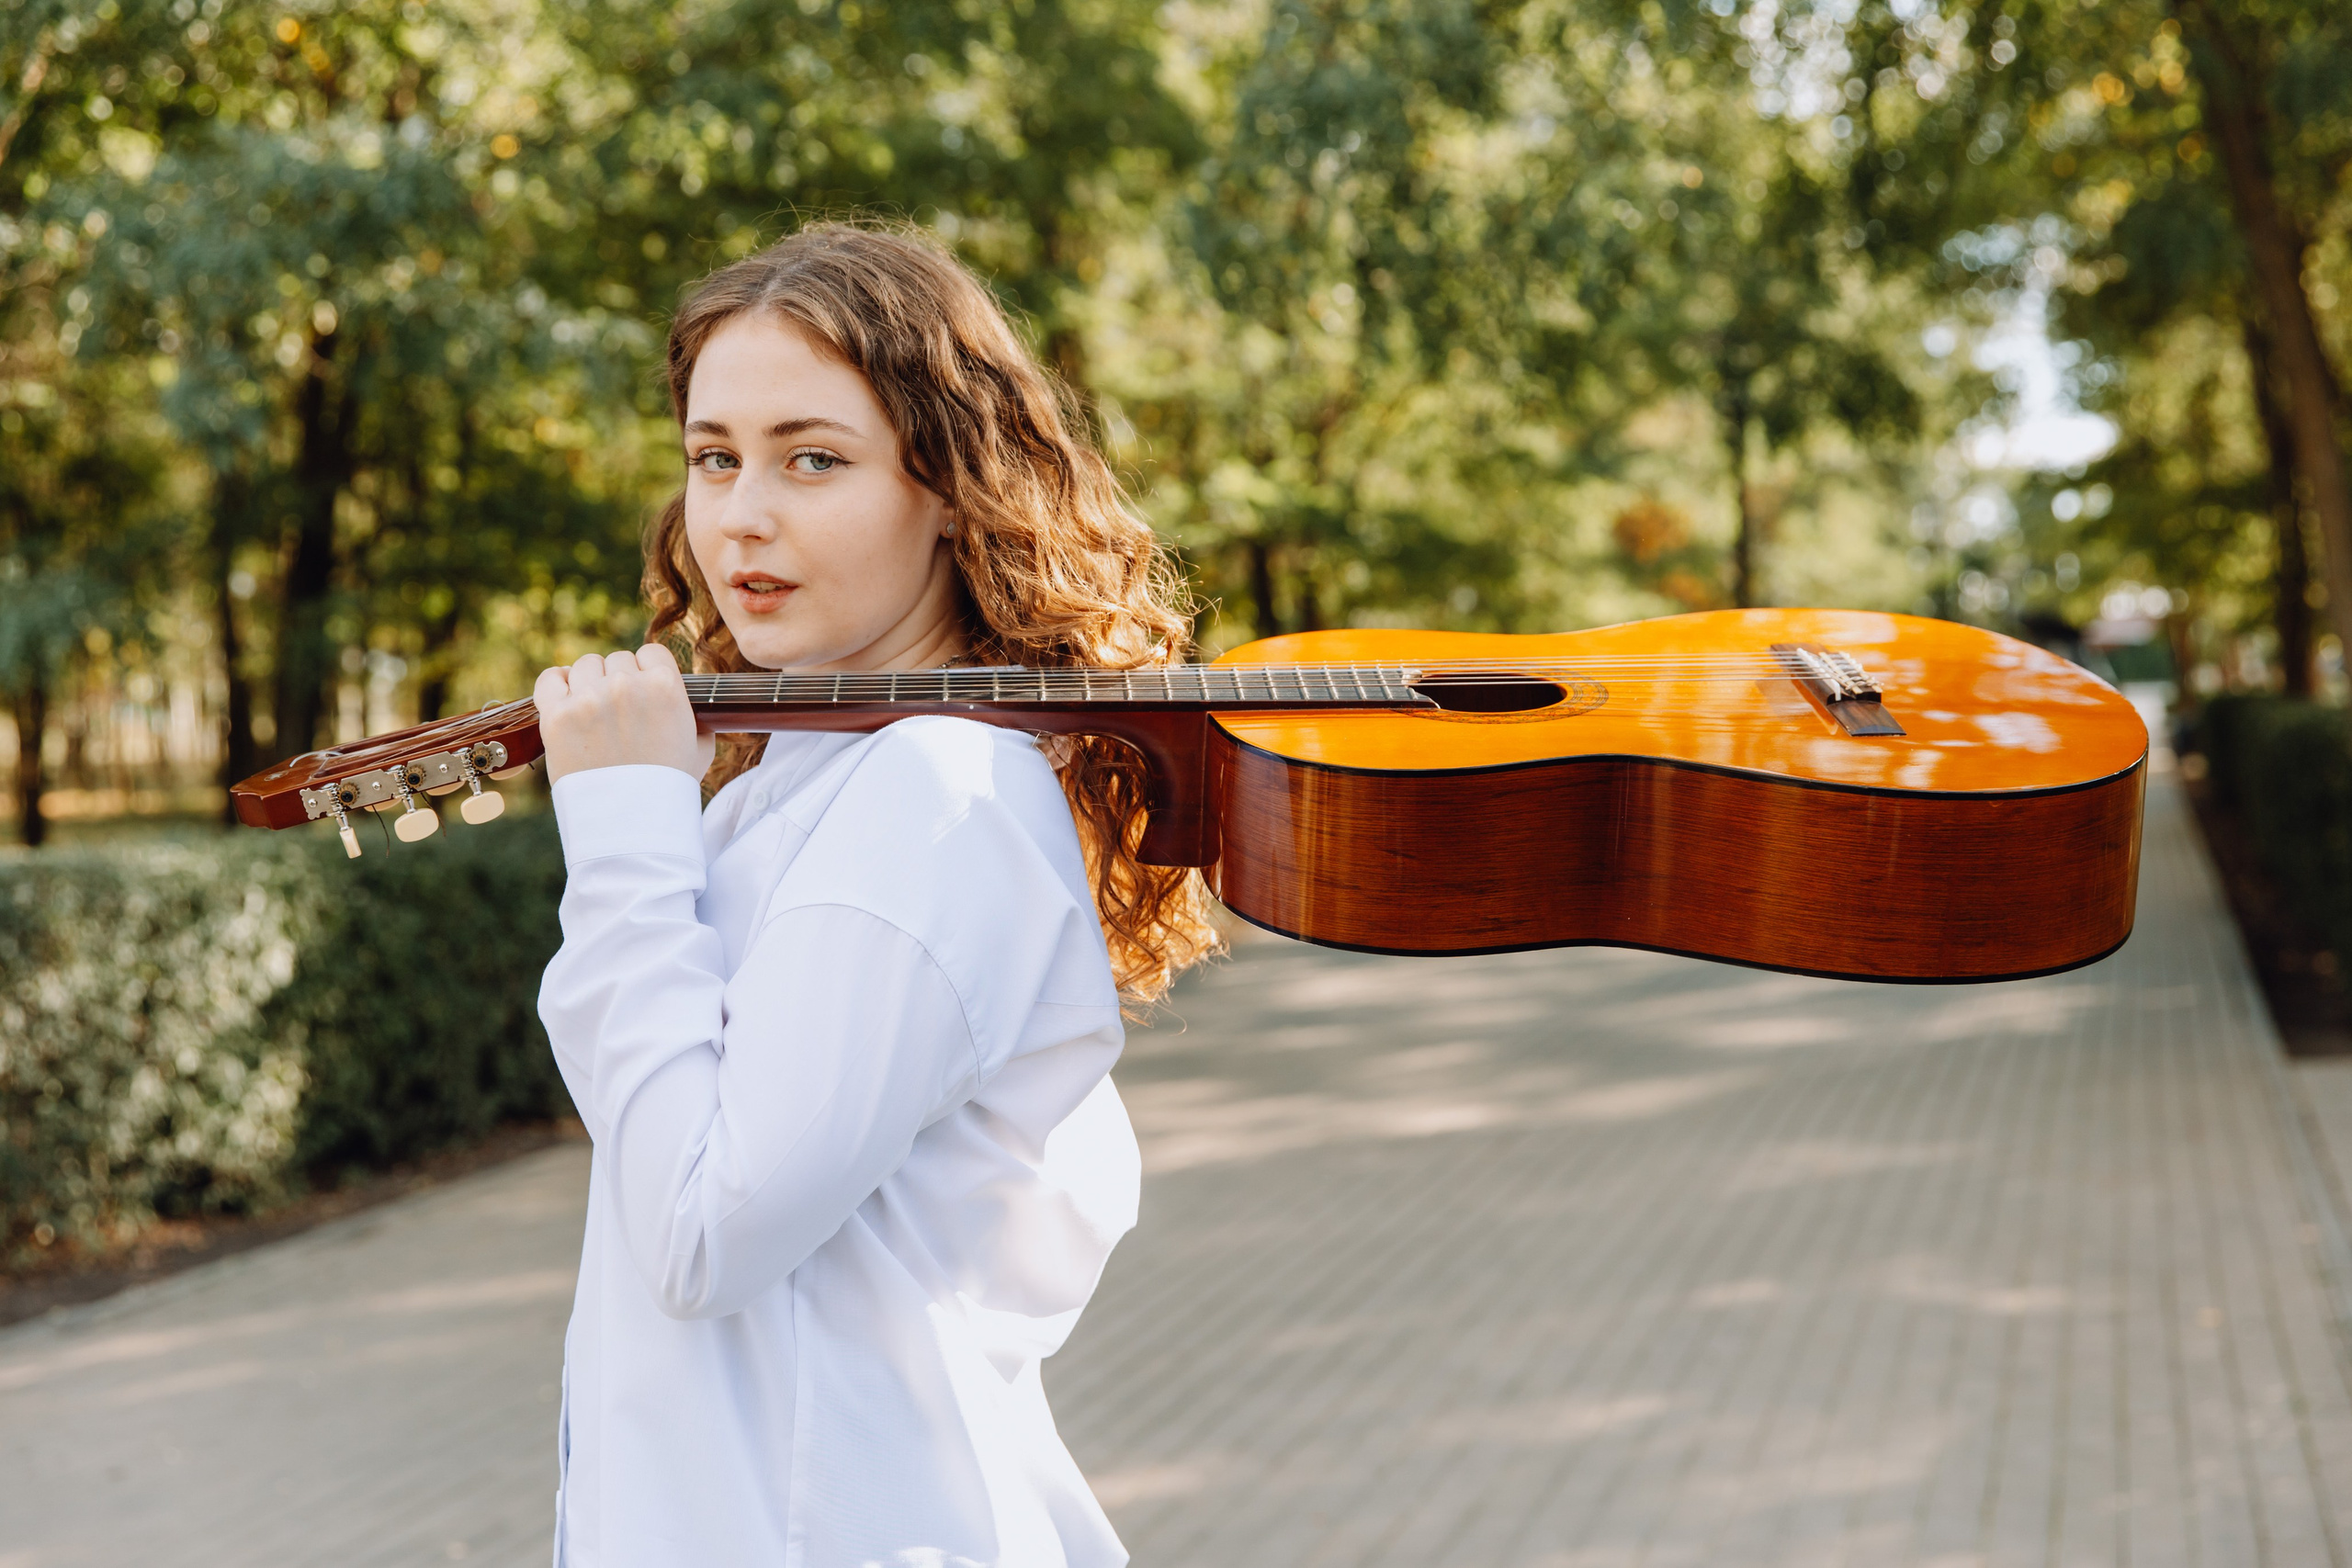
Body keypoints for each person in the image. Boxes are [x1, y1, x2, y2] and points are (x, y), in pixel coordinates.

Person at [531, 220, 1219, 1567]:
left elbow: (701, 1232)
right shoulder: (804, 779)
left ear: (952, 487)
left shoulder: (936, 796)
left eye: (813, 459)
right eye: (713, 457)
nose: (741, 514)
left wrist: (622, 840)